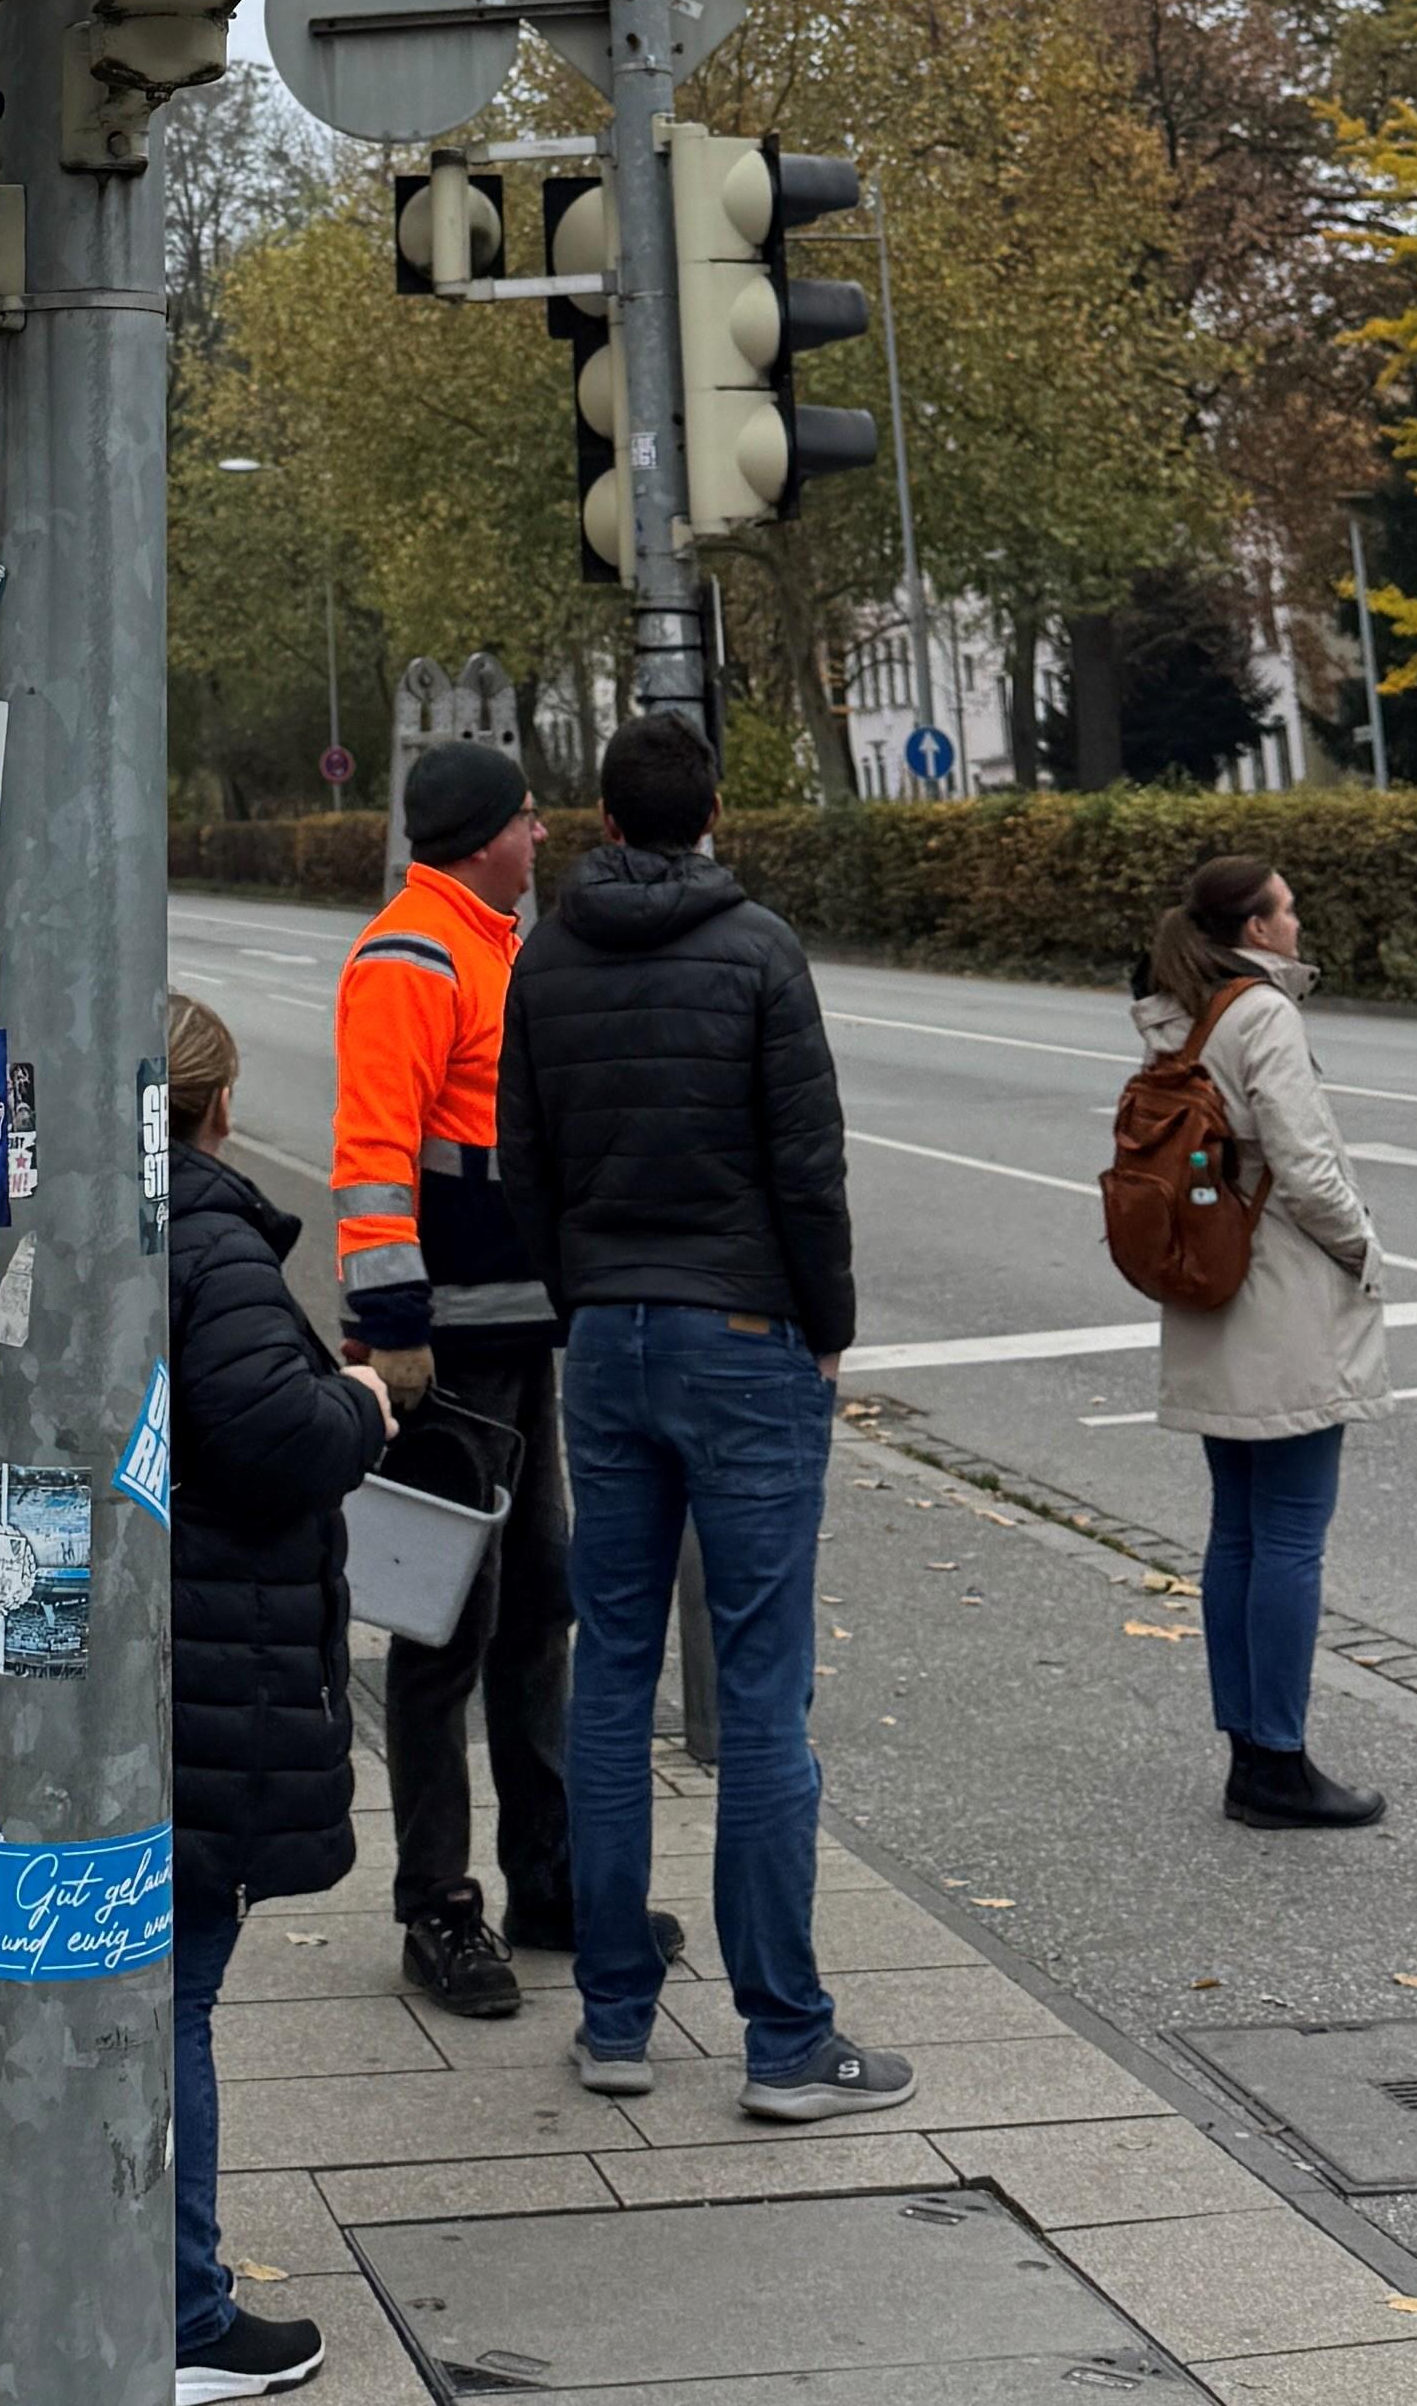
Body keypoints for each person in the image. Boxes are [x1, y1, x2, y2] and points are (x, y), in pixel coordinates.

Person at [498, 706, 910, 2128]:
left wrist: (586, 1297)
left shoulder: (542, 958)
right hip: (743, 1337)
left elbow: (523, 1160)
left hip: (606, 1339)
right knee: (758, 1687)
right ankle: (783, 2039)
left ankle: (615, 2018)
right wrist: (826, 1332)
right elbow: (811, 1165)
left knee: (610, 1672)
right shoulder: (759, 951)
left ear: (604, 821)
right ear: (711, 814)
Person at [168, 991, 394, 2404]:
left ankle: (78, 2277)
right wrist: (359, 1410)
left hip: (99, 1664)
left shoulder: (45, 1219)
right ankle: (180, 2318)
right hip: (200, 1670)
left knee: (110, 1985)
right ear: (217, 1104)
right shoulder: (209, 1240)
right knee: (170, 1989)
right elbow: (267, 1436)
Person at [329, 737, 573, 2011]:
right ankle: (439, 1906)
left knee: (539, 1607)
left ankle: (550, 1880)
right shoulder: (413, 956)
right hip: (452, 1355)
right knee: (444, 1632)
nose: (544, 839)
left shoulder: (487, 943)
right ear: (484, 833)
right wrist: (394, 1329)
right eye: (530, 821)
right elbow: (371, 1158)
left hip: (514, 1338)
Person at [1134, 850, 1390, 1828]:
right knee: (1290, 1532)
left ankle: (1249, 1751)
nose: (1296, 920)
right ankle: (1278, 1763)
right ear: (1255, 931)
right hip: (1281, 1286)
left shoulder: (1180, 1015)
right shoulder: (1265, 1012)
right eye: (1286, 909)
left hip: (1209, 1281)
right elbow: (1305, 1161)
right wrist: (1361, 1244)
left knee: (1236, 1530)